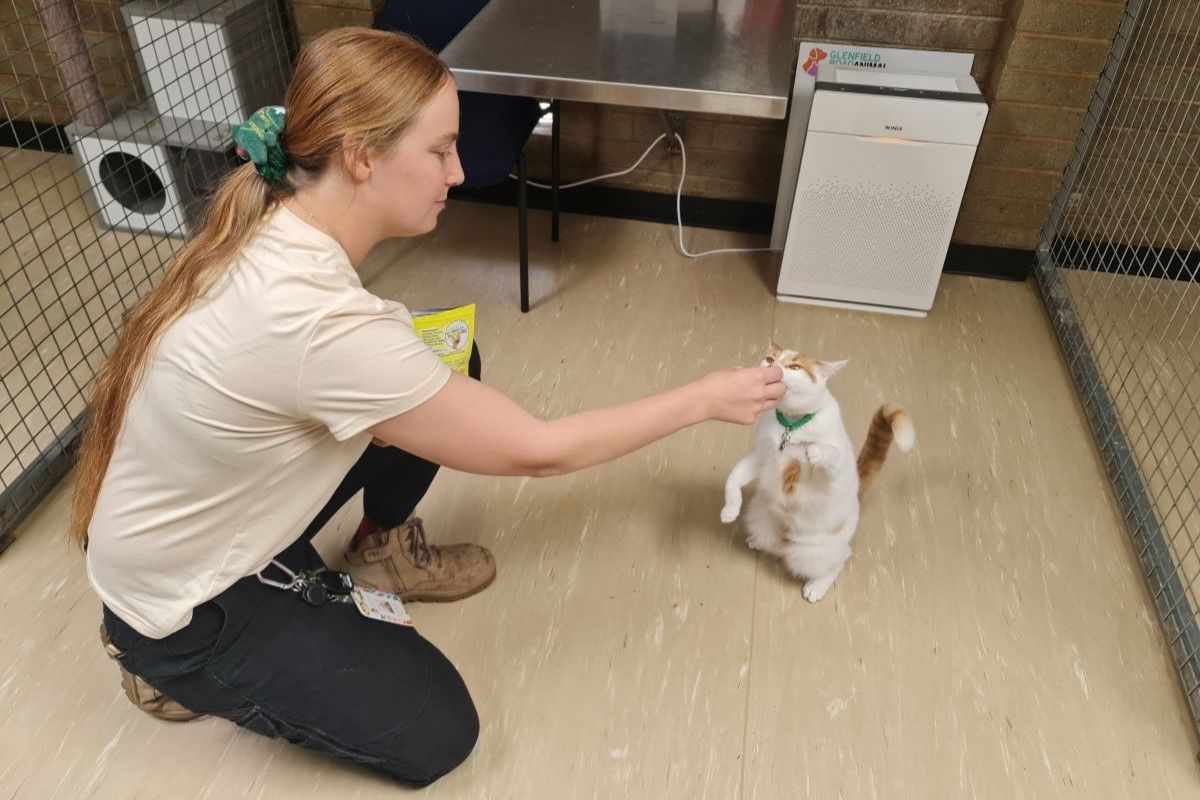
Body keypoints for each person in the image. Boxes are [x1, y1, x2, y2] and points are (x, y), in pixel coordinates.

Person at [74, 27, 785, 787]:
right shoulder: (320, 325)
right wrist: (704, 398)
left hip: (208, 514)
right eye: (440, 149)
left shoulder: (277, 213)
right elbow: (537, 450)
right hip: (187, 608)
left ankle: (376, 550)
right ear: (360, 156)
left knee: (446, 357)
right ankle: (169, 670)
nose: (461, 168)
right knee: (437, 727)